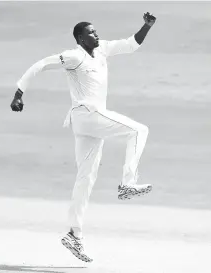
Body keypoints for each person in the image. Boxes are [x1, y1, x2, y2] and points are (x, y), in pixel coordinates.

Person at [10, 12, 156, 263]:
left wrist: (146, 26)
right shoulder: (74, 56)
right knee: (139, 130)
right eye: (91, 32)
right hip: (87, 115)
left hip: (87, 123)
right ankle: (128, 183)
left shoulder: (102, 50)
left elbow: (131, 44)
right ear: (80, 38)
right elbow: (41, 64)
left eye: (96, 31)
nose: (96, 34)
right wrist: (19, 92)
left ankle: (73, 234)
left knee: (86, 178)